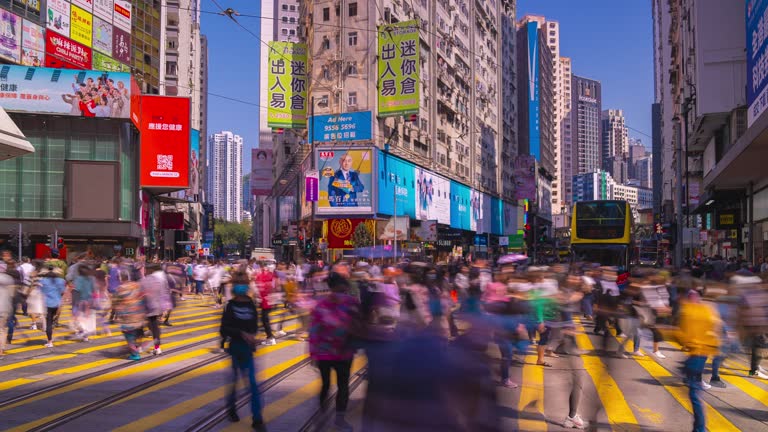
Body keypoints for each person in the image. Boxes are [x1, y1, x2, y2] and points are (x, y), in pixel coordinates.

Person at [309, 271, 360, 430]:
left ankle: (323, 413)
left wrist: (313, 353)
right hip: (343, 352)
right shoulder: (351, 303)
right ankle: (339, 419)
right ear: (341, 286)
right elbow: (359, 324)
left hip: (326, 353)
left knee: (326, 385)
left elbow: (314, 330)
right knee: (342, 386)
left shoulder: (321, 304)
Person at [219, 271, 266, 432]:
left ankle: (257, 419)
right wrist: (241, 334)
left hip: (248, 349)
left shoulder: (251, 304)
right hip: (235, 348)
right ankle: (231, 408)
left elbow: (254, 325)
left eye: (243, 282)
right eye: (238, 282)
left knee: (252, 384)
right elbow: (224, 329)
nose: (241, 285)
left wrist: (253, 336)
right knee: (233, 381)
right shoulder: (230, 305)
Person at [676, 290, 721, 432]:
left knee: (694, 394)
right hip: (703, 353)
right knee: (694, 391)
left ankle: (700, 429)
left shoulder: (689, 311)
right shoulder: (708, 310)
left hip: (697, 354)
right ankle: (699, 428)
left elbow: (683, 335)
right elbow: (715, 329)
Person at [112, 269, 146, 360]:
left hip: (127, 317)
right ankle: (138, 347)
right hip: (139, 315)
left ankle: (135, 354)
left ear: (120, 278)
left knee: (129, 336)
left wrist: (112, 316)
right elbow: (143, 297)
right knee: (137, 334)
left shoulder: (120, 289)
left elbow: (114, 303)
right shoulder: (137, 285)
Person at [140, 263, 173, 355]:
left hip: (146, 308)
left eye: (146, 270)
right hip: (157, 307)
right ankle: (157, 348)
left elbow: (140, 294)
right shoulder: (159, 281)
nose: (145, 271)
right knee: (155, 328)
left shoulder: (144, 281)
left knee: (140, 327)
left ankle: (138, 347)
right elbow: (164, 293)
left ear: (150, 270)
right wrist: (165, 307)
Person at [38, 265, 66, 347]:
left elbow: (40, 291)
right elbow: (62, 292)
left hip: (47, 303)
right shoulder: (61, 280)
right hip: (57, 303)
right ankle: (54, 322)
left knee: (48, 322)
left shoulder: (43, 281)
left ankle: (49, 341)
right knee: (52, 319)